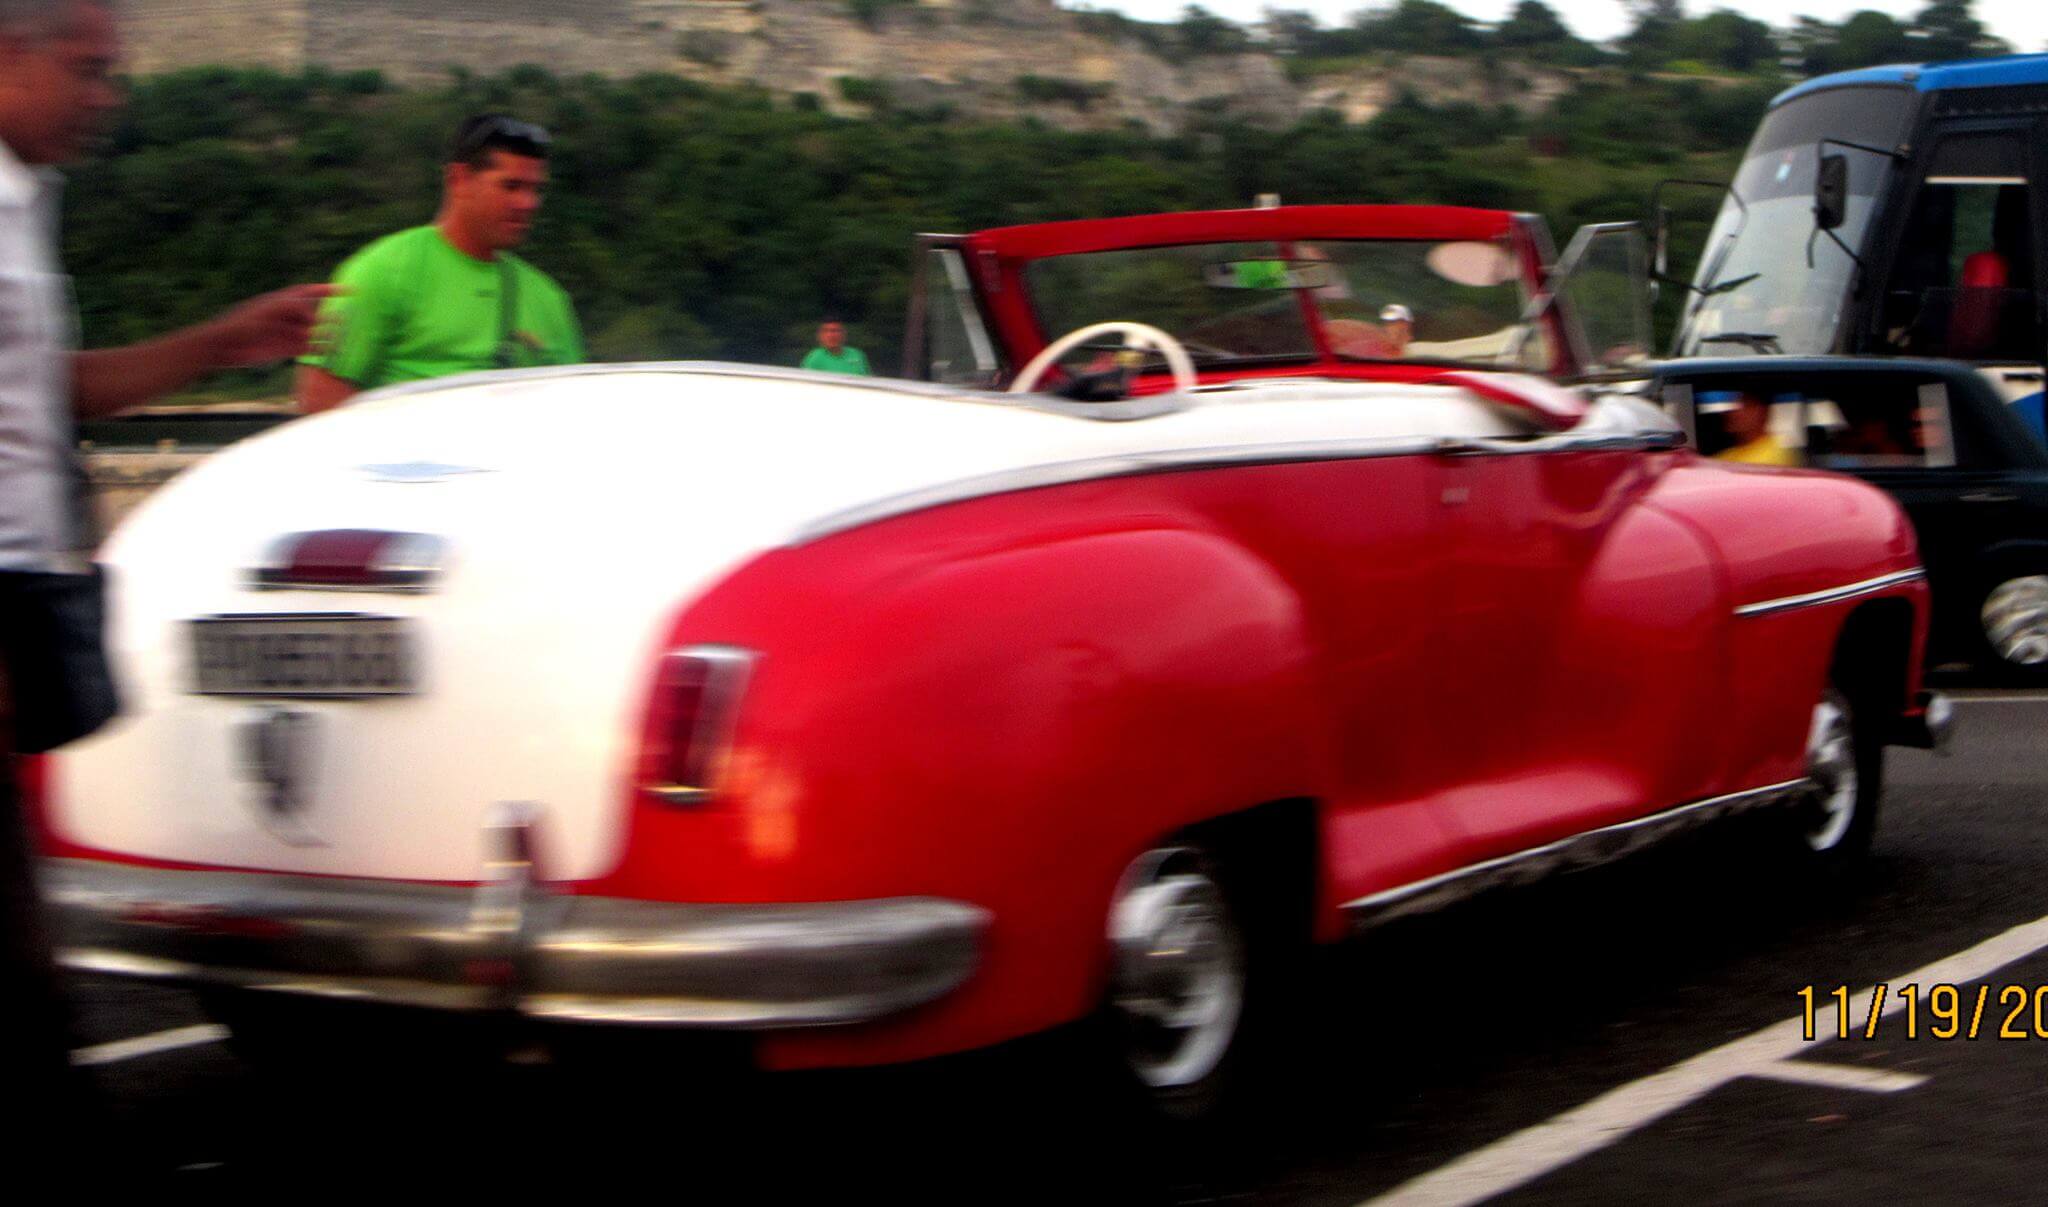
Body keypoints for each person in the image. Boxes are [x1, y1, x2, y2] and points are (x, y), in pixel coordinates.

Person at [0, 0, 329, 1128]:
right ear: (9, 54)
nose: (109, 99)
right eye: (89, 70)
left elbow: (48, 388)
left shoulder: (25, 200)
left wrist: (222, 343)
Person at [294, 113, 584, 413]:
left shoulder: (548, 299)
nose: (529, 203)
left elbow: (574, 409)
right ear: (459, 180)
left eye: (536, 190)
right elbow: (320, 398)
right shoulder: (383, 272)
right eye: (511, 186)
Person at [1713, 391, 1799, 466]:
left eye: (1746, 405)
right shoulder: (1726, 456)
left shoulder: (1780, 449)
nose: (1733, 412)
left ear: (1762, 411)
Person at [800, 319, 871, 376]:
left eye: (836, 331)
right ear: (820, 336)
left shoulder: (857, 354)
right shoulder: (814, 358)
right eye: (826, 331)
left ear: (844, 334)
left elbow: (868, 380)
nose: (831, 335)